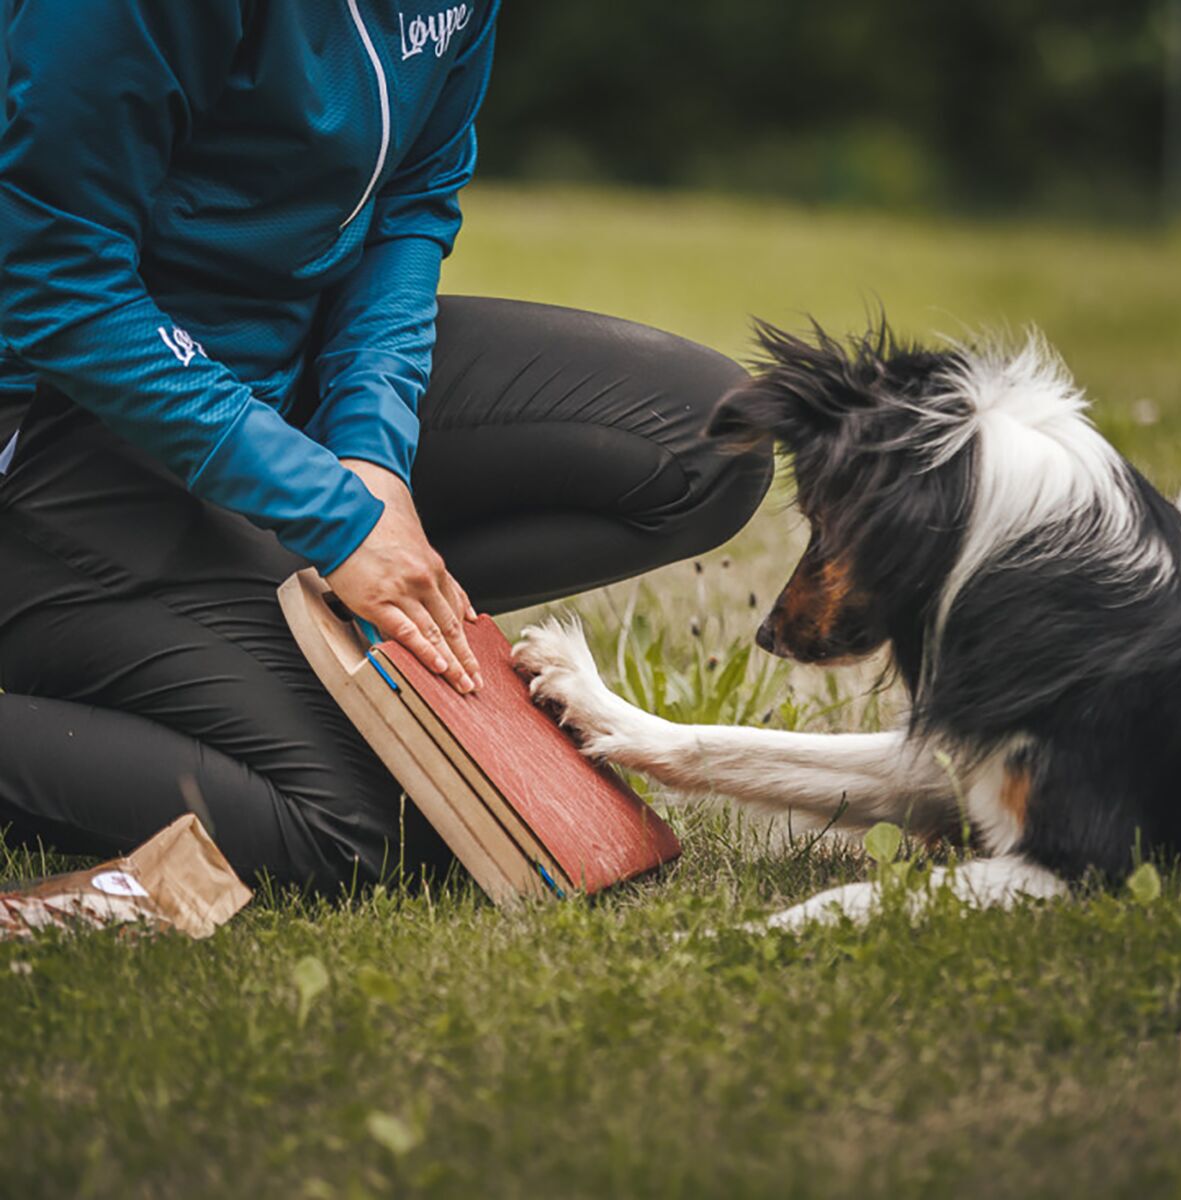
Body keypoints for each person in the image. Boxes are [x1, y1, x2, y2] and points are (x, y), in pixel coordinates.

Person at [0, 1, 772, 893]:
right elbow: (58, 283)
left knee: (711, 442)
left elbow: (411, 198)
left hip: (286, 380)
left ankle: (255, 594)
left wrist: (370, 455)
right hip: (63, 426)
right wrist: (328, 513)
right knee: (385, 828)